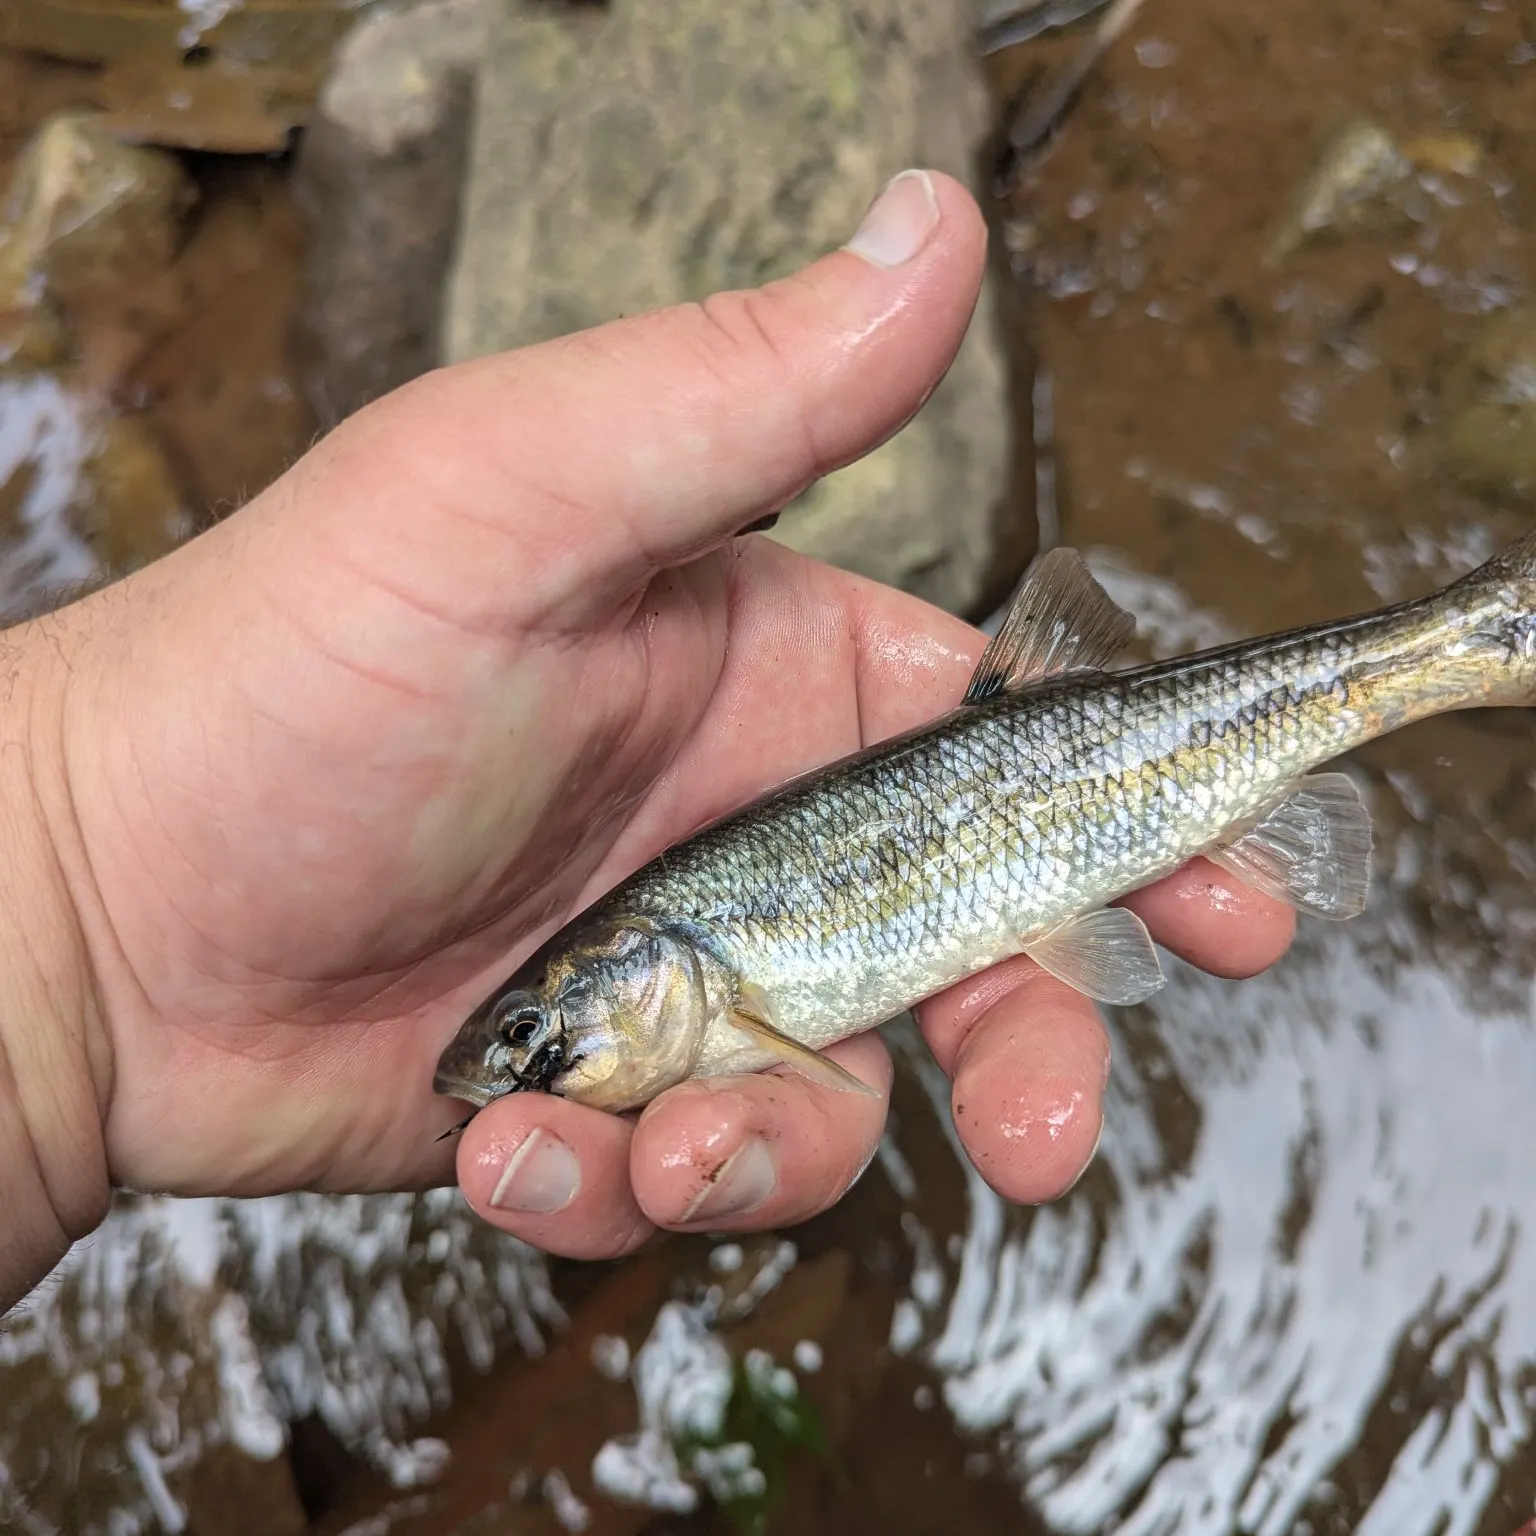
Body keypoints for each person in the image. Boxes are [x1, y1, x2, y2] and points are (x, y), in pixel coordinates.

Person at [0, 170, 1292, 1314]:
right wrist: (73, 932)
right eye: (534, 1049)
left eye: (536, 1041)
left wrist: (76, 913)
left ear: (648, 973)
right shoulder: (681, 981)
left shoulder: (709, 988)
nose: (532, 1074)